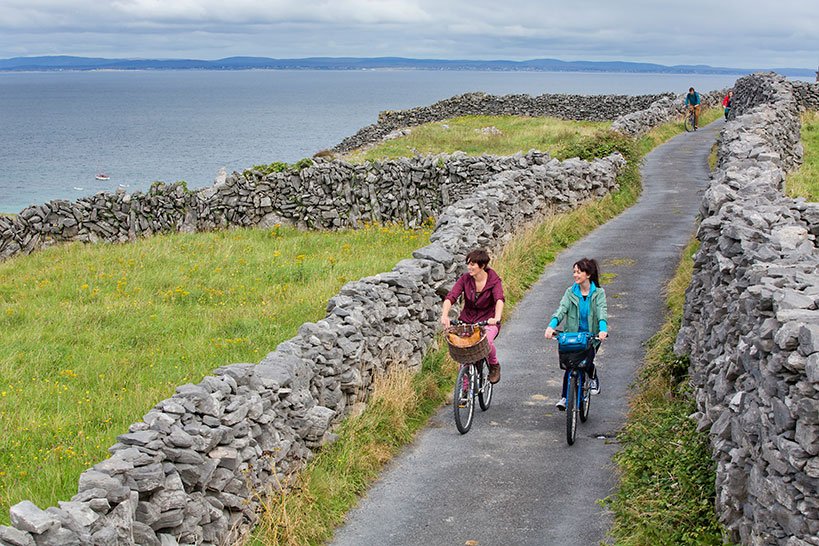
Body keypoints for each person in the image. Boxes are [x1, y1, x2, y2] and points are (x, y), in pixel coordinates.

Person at [544, 258, 608, 410]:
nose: (575, 275)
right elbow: (561, 310)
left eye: (579, 272)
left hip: (591, 337)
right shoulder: (570, 292)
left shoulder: (598, 293)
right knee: (570, 366)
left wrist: (602, 329)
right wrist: (551, 326)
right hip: (572, 337)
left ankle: (592, 376)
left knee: (586, 363)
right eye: (574, 272)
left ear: (588, 274)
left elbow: (601, 312)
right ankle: (566, 398)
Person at [440, 248, 505, 383]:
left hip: (488, 320)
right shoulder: (465, 279)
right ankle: (463, 389)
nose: (469, 267)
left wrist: (496, 318)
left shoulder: (494, 280)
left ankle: (494, 364)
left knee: (487, 341)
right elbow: (451, 296)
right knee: (463, 349)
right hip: (467, 320)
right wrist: (444, 315)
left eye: (472, 264)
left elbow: (499, 299)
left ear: (482, 266)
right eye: (468, 264)